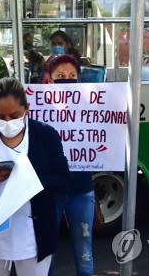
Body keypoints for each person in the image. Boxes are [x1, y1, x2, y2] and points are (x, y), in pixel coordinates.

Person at [0, 77, 70, 275]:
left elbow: (64, 180)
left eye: (14, 115)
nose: (7, 122)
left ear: (27, 108)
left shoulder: (45, 135)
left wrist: (30, 182)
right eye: (0, 116)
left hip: (32, 240)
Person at [44, 54, 95, 276]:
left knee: (84, 249)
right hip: (49, 191)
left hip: (81, 188)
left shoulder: (91, 105)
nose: (67, 80)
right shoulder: (36, 106)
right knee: (46, 251)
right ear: (49, 78)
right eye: (61, 76)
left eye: (72, 75)